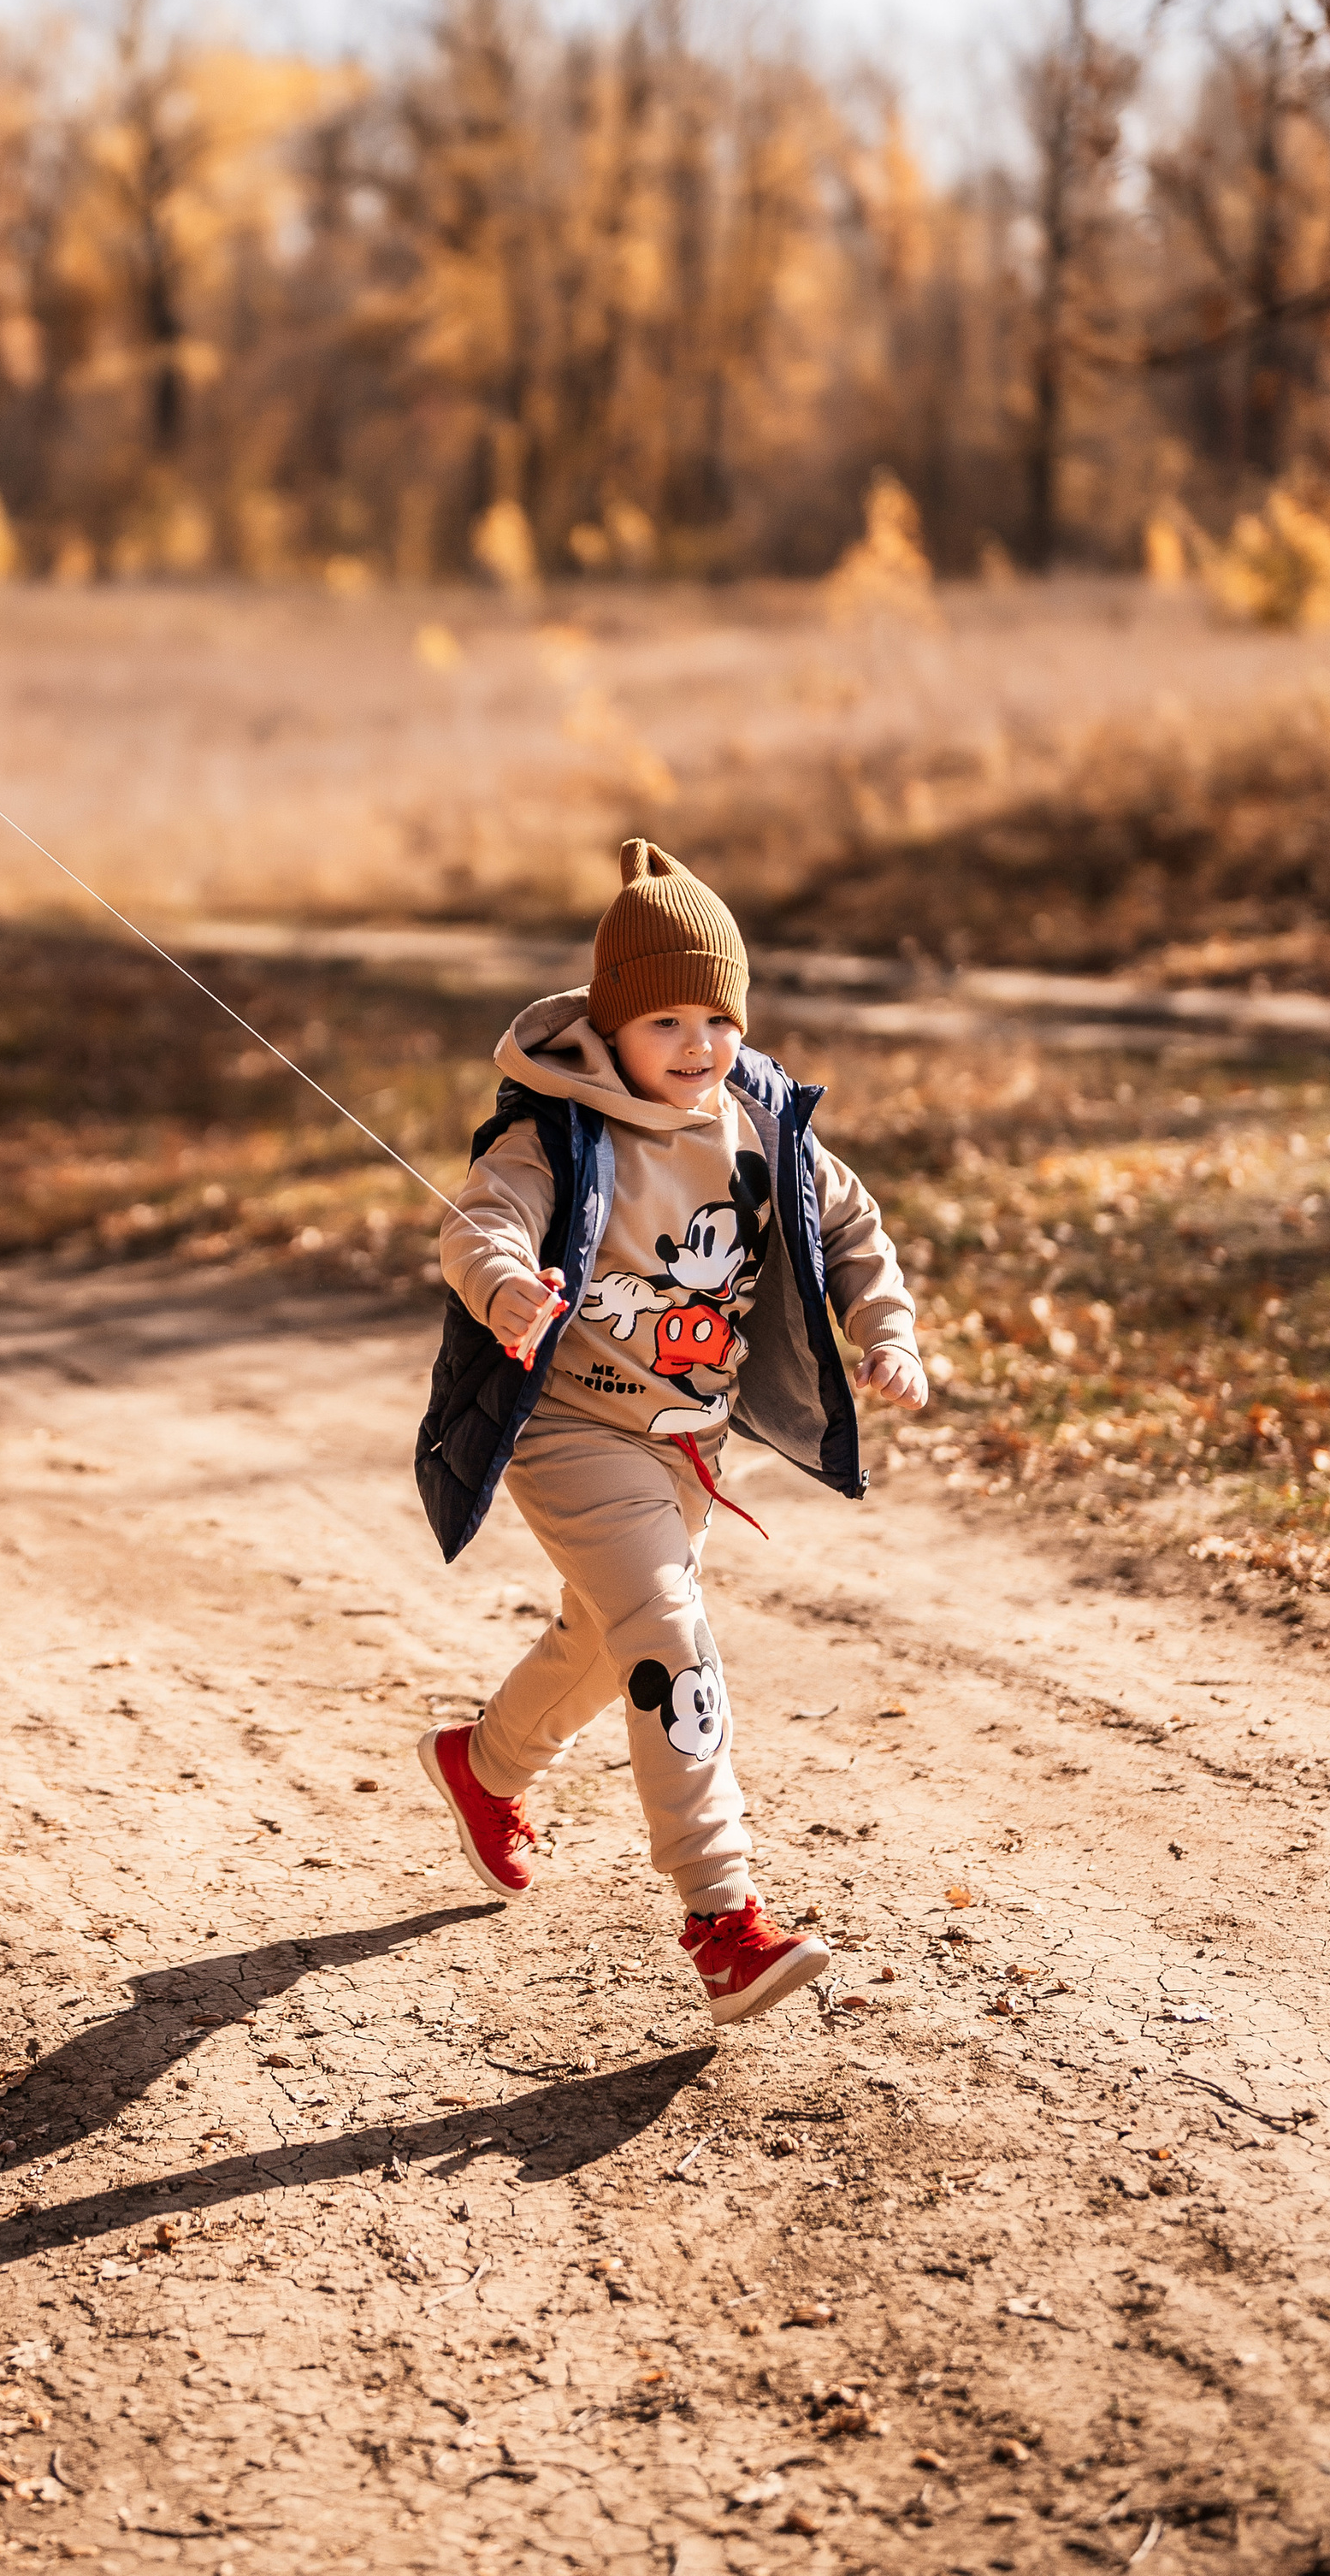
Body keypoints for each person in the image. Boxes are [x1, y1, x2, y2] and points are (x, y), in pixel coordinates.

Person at [412, 837, 926, 2024]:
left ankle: (483, 1766)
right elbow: (478, 1226)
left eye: (718, 1017)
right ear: (609, 1024)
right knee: (671, 1638)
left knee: (608, 1645)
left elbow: (853, 1226)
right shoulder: (557, 1133)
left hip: (688, 1444)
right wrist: (506, 1292)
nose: (699, 1046)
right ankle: (722, 1918)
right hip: (574, 1432)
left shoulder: (761, 1126)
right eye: (666, 1023)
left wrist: (885, 1331)